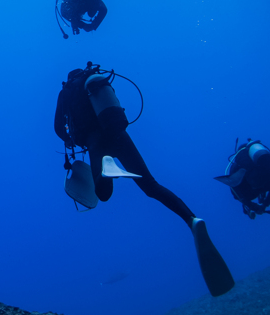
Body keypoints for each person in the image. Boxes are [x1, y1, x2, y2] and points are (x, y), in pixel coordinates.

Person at [54, 63, 234, 297]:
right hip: (119, 135)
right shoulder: (96, 82)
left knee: (104, 194)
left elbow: (58, 128)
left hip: (94, 140)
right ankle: (191, 219)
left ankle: (107, 166)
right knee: (151, 186)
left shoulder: (67, 91)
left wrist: (69, 140)